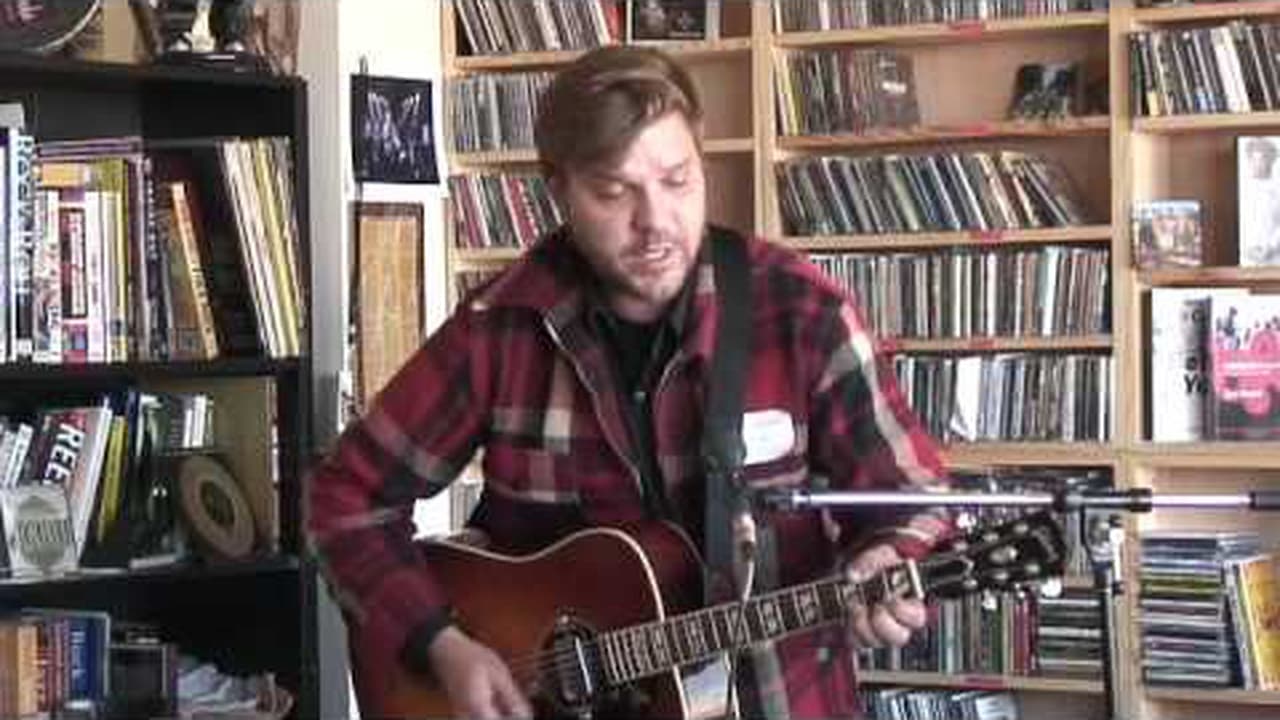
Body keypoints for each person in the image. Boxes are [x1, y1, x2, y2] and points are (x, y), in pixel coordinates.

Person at [308, 46, 951, 720]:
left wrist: (891, 555)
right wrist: (439, 642)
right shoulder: (498, 329)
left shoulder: (802, 313)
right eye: (614, 192)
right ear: (557, 191)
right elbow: (344, 499)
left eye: (677, 180)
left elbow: (915, 496)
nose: (655, 223)